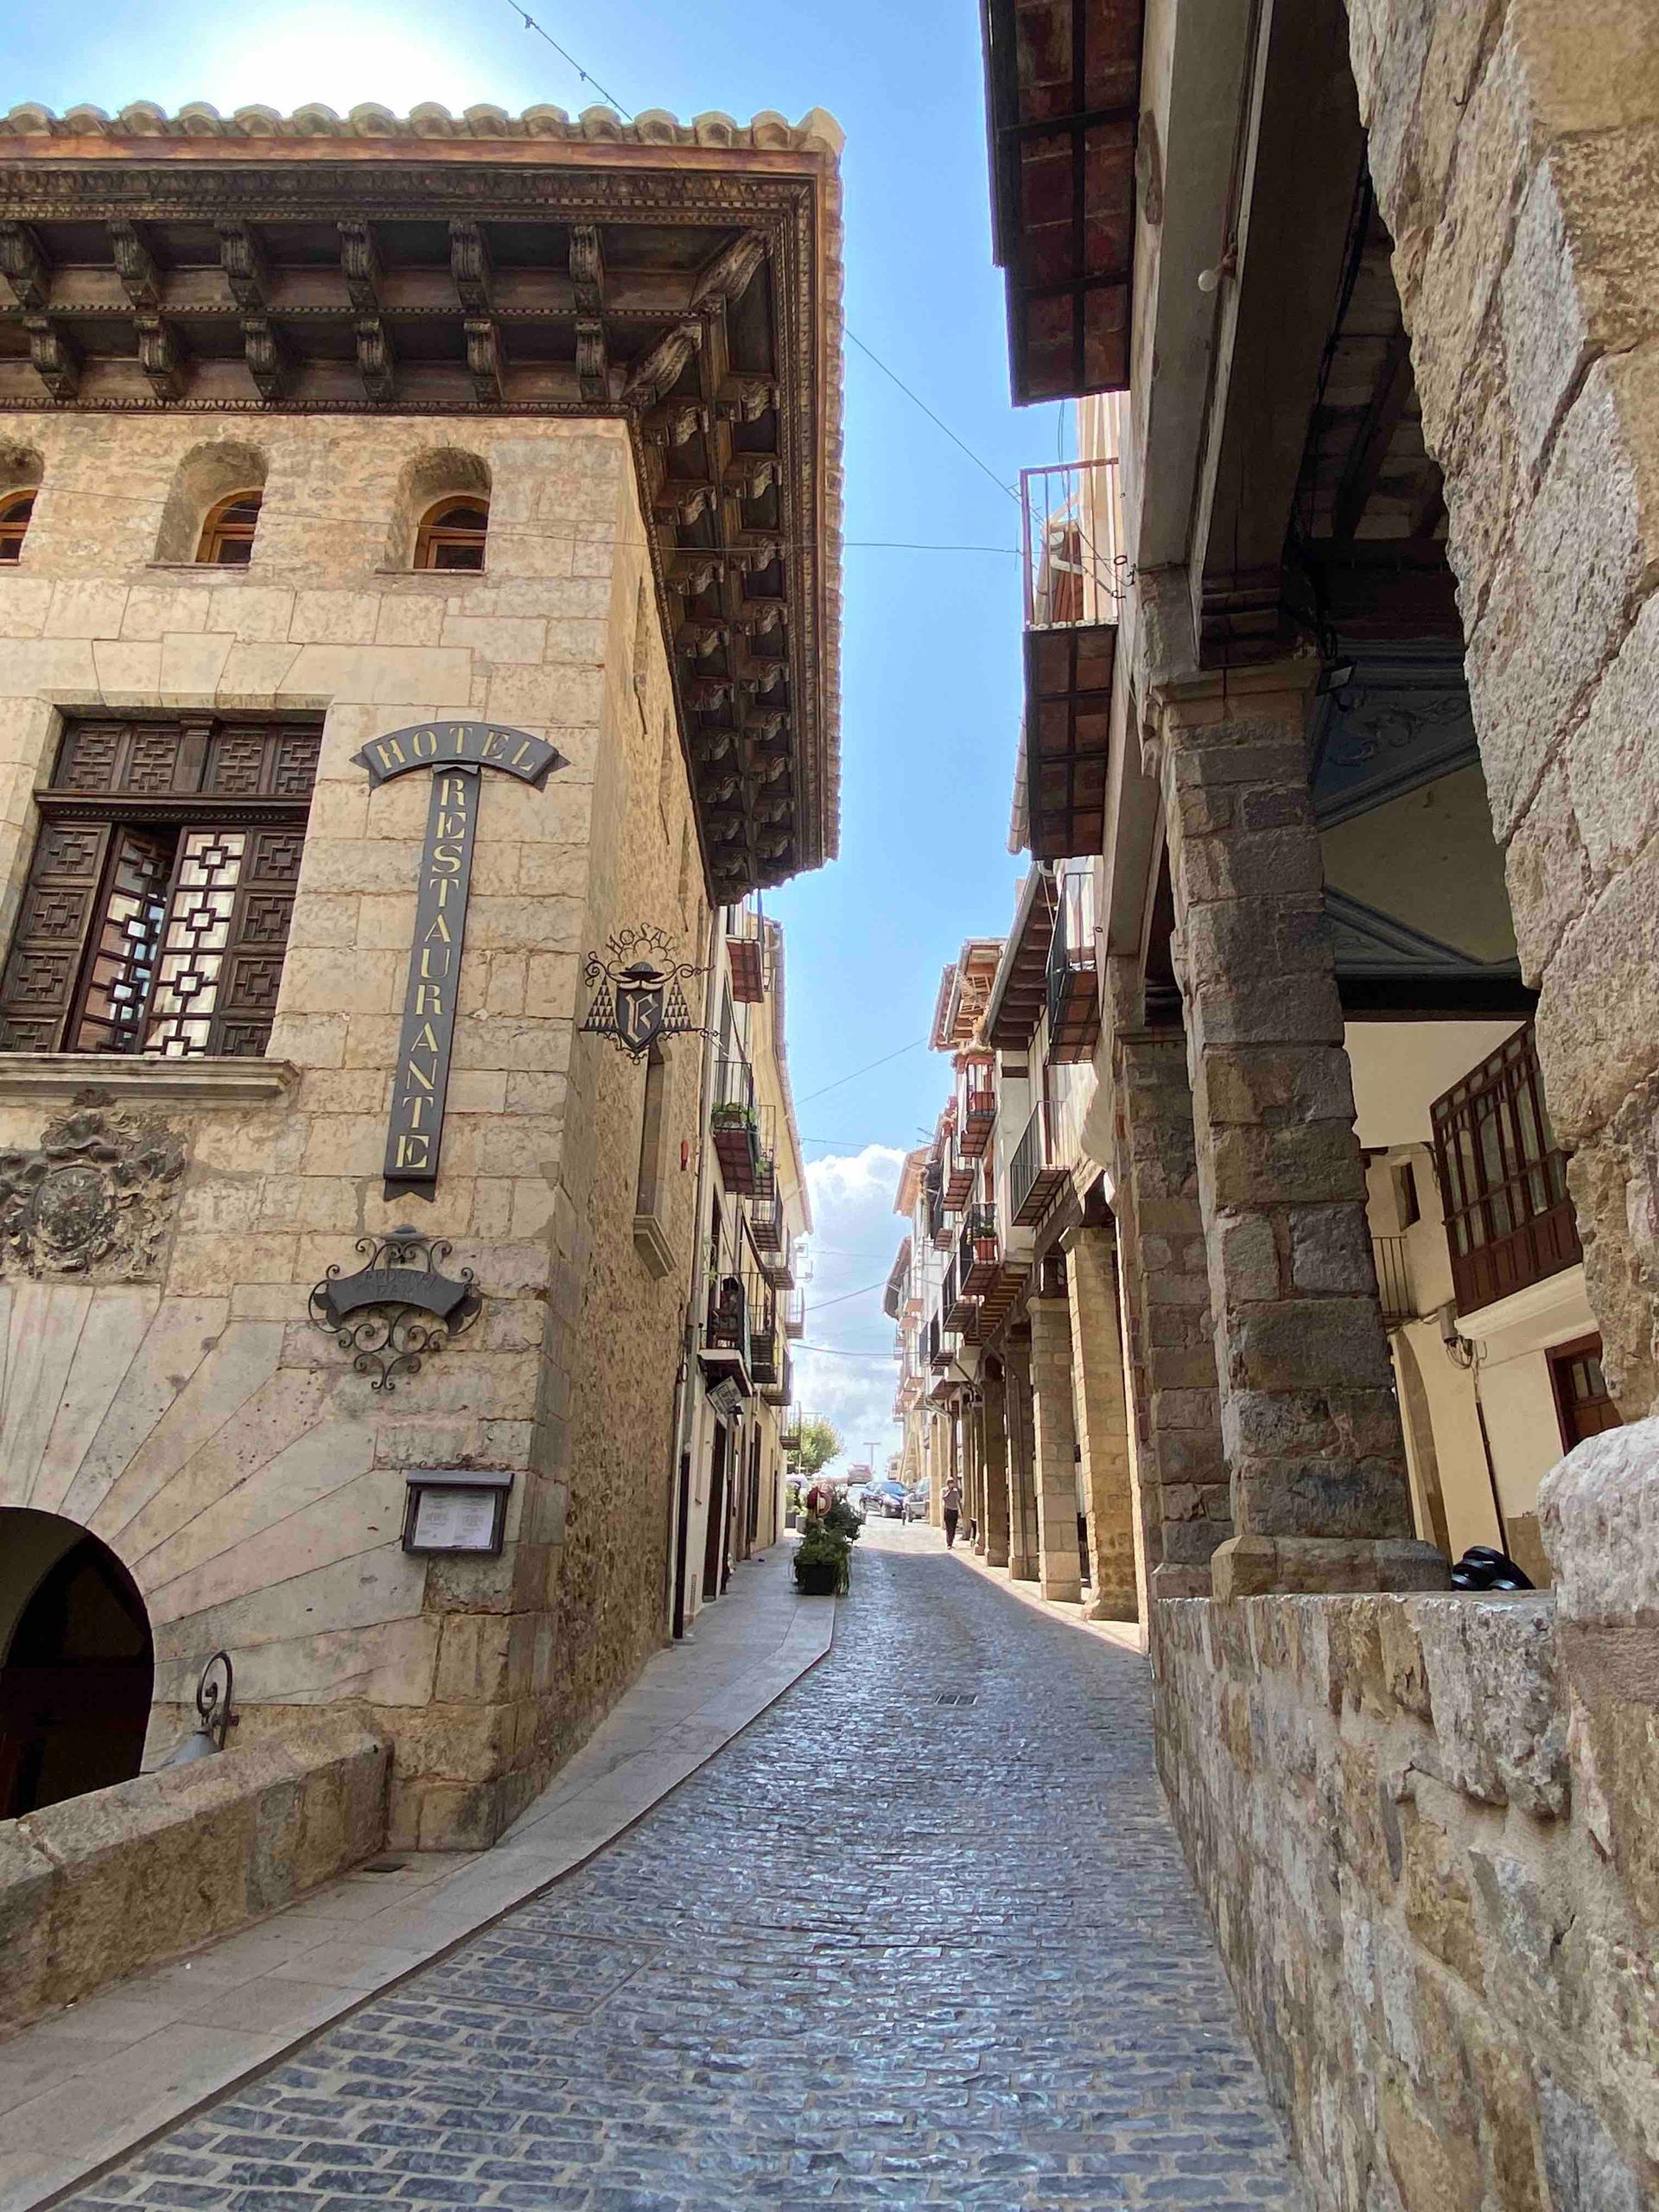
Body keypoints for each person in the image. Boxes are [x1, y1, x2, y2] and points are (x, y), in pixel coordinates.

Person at [941, 1475, 963, 1549]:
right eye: (950, 1482)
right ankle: (948, 1543)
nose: (951, 1484)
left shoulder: (956, 1491)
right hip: (948, 1510)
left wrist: (961, 1511)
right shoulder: (944, 1490)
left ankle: (951, 1541)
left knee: (953, 1528)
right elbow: (944, 1498)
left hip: (954, 1510)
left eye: (952, 1482)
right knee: (948, 1527)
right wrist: (949, 1491)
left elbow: (959, 1501)